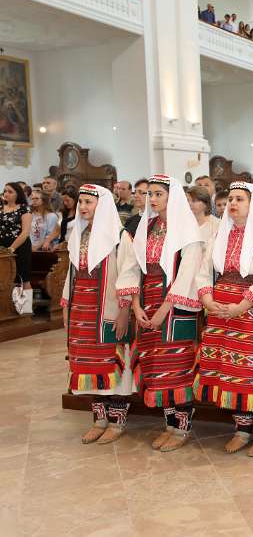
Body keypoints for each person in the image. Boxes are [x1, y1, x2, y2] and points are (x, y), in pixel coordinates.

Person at [194, 182, 253, 457]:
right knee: (230, 370)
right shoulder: (219, 236)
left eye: (240, 199)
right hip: (221, 313)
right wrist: (208, 300)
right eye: (231, 199)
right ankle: (242, 429)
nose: (233, 203)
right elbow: (204, 272)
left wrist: (242, 305)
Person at [116, 175, 203, 452]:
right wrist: (136, 306)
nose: (152, 199)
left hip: (175, 307)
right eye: (149, 194)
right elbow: (133, 268)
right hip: (147, 302)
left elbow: (188, 271)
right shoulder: (145, 227)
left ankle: (183, 428)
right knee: (155, 366)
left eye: (158, 194)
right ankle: (169, 426)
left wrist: (165, 309)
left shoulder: (187, 230)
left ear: (171, 197)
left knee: (177, 367)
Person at [61, 184, 134, 444]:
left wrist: (124, 311)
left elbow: (129, 274)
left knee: (111, 364)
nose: (82, 207)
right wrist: (67, 306)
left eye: (88, 202)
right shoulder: (78, 235)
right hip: (82, 309)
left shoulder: (119, 236)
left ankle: (117, 422)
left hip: (108, 308)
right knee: (86, 365)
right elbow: (71, 275)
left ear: (101, 205)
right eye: (80, 202)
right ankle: (99, 419)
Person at [1, 182, 33, 312]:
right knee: (5, 278)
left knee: (23, 277)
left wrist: (11, 249)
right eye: (5, 191)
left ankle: (25, 311)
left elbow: (25, 232)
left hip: (20, 247)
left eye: (10, 191)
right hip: (3, 249)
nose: (6, 194)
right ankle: (9, 309)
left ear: (17, 194)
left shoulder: (24, 209)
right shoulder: (1, 208)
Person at [186, 186, 220, 256]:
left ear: (205, 204)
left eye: (194, 201)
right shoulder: (184, 224)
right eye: (187, 200)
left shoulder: (216, 224)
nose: (189, 204)